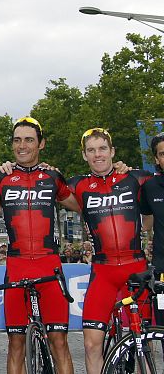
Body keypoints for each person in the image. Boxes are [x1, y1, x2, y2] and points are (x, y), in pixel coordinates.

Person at [0, 116, 80, 374]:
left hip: (49, 266)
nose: (22, 146)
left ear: (41, 144)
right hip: (17, 265)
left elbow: (81, 203)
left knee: (59, 343)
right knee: (16, 344)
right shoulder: (3, 178)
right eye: (17, 140)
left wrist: (118, 173)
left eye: (28, 140)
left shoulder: (53, 176)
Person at [68, 128, 153, 374]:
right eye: (91, 150)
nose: (98, 155)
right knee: (91, 343)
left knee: (142, 341)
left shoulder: (136, 178)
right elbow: (46, 184)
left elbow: (148, 216)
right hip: (102, 272)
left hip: (135, 269)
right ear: (84, 155)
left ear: (112, 152)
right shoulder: (78, 185)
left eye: (102, 148)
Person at [139, 131, 164, 325]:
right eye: (162, 153)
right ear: (157, 158)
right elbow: (146, 223)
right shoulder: (150, 187)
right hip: (162, 267)